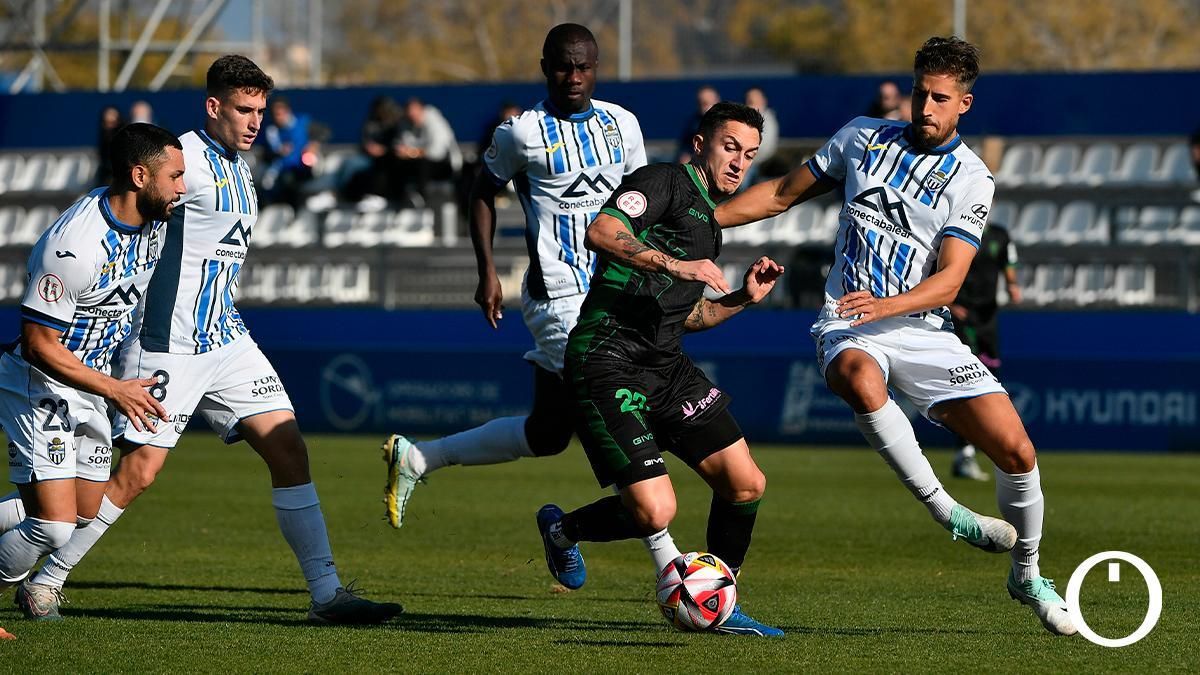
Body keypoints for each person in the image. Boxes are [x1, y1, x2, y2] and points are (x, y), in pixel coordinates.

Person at [16, 55, 403, 625]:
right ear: (213, 107)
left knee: (289, 447)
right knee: (138, 473)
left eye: (261, 111)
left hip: (227, 337)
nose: (255, 122)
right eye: (244, 110)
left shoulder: (241, 168)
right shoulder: (185, 162)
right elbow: (124, 214)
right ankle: (47, 579)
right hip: (166, 341)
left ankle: (326, 595)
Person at [716, 37, 1076, 637]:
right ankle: (949, 512)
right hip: (848, 320)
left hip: (920, 323)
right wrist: (703, 216)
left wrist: (889, 303)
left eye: (939, 98)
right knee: (859, 376)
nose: (925, 107)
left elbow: (952, 279)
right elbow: (780, 194)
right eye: (919, 93)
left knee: (1018, 454)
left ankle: (1028, 572)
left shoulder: (971, 179)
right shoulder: (862, 136)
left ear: (964, 104)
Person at [382, 24, 651, 535]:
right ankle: (665, 557)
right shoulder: (521, 132)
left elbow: (642, 199)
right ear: (544, 66)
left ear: (597, 68)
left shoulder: (624, 125)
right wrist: (487, 271)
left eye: (584, 66)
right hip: (560, 296)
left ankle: (416, 459)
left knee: (549, 433)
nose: (573, 76)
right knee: (614, 413)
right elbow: (481, 193)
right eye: (562, 66)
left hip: (615, 292)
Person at [537, 101, 785, 637]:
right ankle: (562, 531)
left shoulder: (710, 227)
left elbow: (689, 315)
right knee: (656, 511)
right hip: (607, 357)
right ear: (700, 144)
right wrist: (674, 263)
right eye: (729, 147)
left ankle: (719, 596)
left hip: (666, 366)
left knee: (745, 483)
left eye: (749, 154)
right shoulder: (664, 181)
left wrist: (744, 296)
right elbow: (603, 231)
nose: (739, 162)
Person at [0, 123, 185, 610]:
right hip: (39, 380)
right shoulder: (73, 247)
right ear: (140, 175)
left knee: (83, 512)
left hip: (91, 384)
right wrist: (116, 389)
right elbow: (40, 344)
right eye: (176, 177)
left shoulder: (154, 223)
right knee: (53, 526)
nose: (182, 189)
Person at [948, 221, 1021, 480]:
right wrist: (949, 301)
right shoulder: (958, 230)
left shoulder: (1000, 235)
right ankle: (964, 452)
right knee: (968, 383)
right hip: (962, 314)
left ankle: (978, 450)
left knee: (989, 381)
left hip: (988, 318)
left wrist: (1012, 285)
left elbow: (1008, 262)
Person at [390, 97, 460, 205]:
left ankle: (423, 199)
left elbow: (437, 152)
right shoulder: (405, 123)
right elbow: (401, 145)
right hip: (417, 164)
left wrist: (411, 152)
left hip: (444, 166)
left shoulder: (435, 122)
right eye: (409, 112)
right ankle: (395, 199)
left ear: (421, 109)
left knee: (423, 164)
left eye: (414, 111)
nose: (411, 115)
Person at [260, 95, 315, 207]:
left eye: (280, 113)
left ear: (288, 111)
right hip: (279, 174)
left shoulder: (304, 122)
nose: (277, 117)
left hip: (302, 171)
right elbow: (266, 156)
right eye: (275, 114)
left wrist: (313, 146)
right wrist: (277, 152)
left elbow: (322, 133)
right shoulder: (271, 131)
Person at [742, 86, 778, 188]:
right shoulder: (745, 120)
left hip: (758, 164)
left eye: (753, 101)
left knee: (742, 184)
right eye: (748, 101)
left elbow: (763, 147)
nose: (750, 104)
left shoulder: (768, 120)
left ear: (763, 101)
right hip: (747, 162)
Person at [677, 85, 720, 163]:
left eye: (706, 103)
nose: (704, 108)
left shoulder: (727, 122)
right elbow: (684, 149)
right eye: (701, 103)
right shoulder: (693, 124)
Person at [93, 105, 124, 186]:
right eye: (105, 122)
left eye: (112, 122)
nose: (109, 125)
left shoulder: (123, 135)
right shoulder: (104, 136)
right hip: (106, 171)